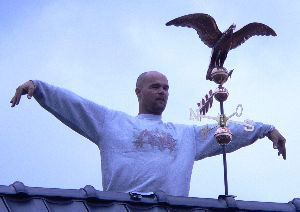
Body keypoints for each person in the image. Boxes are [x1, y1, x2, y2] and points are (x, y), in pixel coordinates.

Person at [10, 71, 286, 197]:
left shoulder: (185, 136)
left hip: (169, 209)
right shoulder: (113, 124)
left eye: (166, 88)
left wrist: (266, 130)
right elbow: (77, 105)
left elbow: (226, 130)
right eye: (155, 86)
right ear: (138, 92)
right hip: (122, 207)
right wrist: (39, 87)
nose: (162, 92)